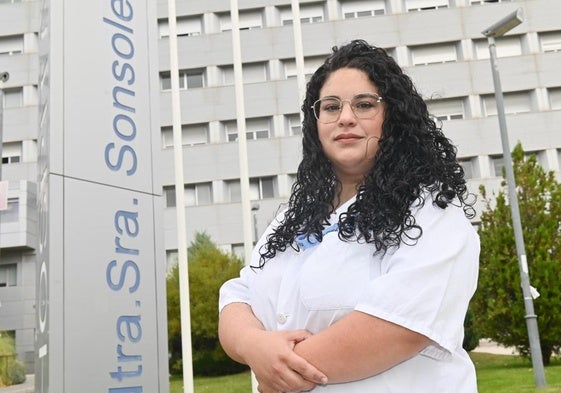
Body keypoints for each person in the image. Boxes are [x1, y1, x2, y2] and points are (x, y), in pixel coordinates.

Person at [218, 39, 480, 393]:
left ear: (394, 117)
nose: (345, 117)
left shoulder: (431, 212)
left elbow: (398, 329)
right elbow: (239, 296)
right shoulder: (291, 221)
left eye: (364, 104)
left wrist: (278, 370)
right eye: (331, 107)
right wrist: (253, 345)